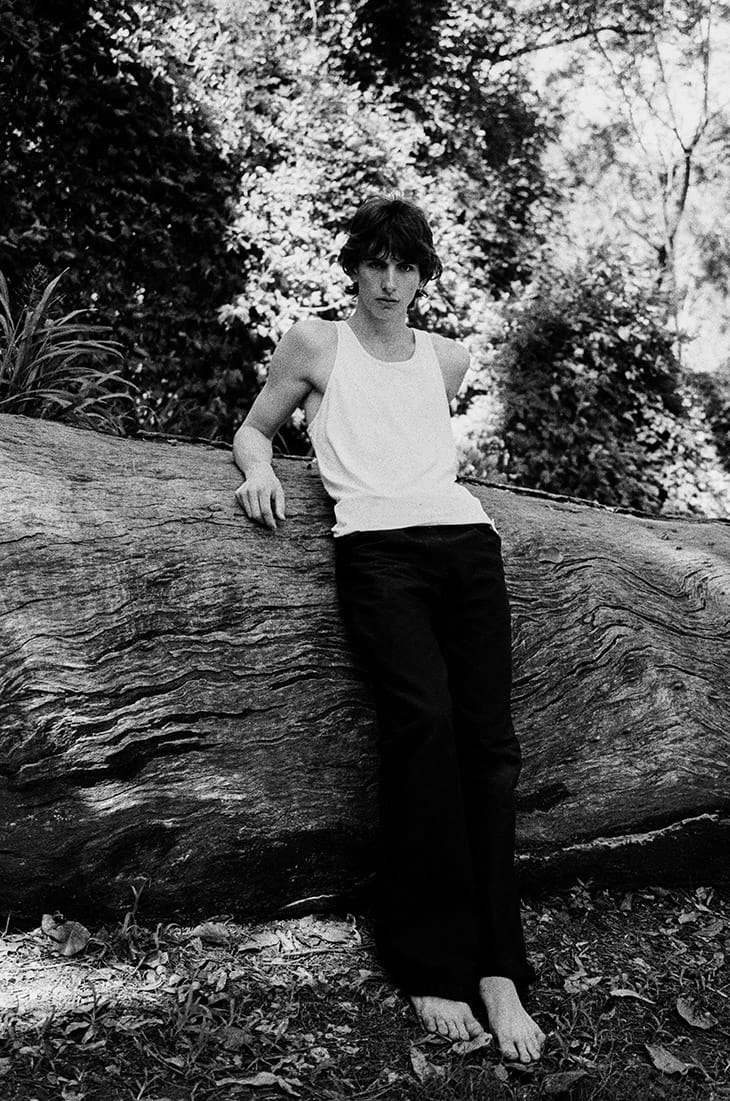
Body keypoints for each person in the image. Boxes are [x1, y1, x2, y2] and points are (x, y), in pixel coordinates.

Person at [233, 195, 545, 1063]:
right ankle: (429, 961)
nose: (389, 281)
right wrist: (260, 471)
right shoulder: (316, 342)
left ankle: (498, 967)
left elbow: (424, 452)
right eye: (376, 262)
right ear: (355, 266)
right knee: (425, 727)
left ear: (422, 276)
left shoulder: (447, 358)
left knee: (492, 750)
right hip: (377, 554)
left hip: (468, 548)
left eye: (406, 266)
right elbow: (255, 428)